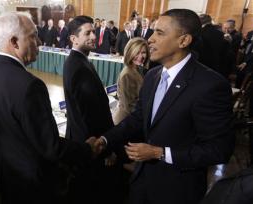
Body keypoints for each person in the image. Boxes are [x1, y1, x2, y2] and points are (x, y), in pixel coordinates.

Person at [95, 9, 235, 204]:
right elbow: (138, 118)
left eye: (160, 33)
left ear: (183, 41)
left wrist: (159, 153)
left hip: (177, 189)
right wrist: (105, 139)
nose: (150, 39)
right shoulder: (152, 76)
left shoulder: (210, 85)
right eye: (153, 32)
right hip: (142, 183)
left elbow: (219, 149)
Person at [0, 12, 97, 204]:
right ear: (14, 42)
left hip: (5, 179)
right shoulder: (30, 85)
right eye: (33, 36)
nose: (39, 41)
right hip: (33, 187)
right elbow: (51, 148)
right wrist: (87, 149)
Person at [64, 15, 123, 204]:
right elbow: (90, 115)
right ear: (74, 39)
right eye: (87, 32)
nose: (93, 35)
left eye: (94, 31)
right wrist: (106, 148)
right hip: (92, 146)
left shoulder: (79, 61)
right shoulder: (79, 66)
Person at [113, 37, 149, 124]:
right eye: (137, 52)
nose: (140, 56)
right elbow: (129, 106)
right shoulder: (127, 74)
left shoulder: (138, 69)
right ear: (129, 53)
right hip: (126, 121)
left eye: (143, 52)